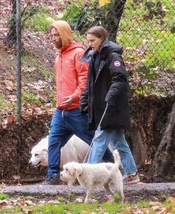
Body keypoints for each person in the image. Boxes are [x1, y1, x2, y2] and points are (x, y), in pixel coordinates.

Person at [45, 21, 114, 185]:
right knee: (53, 141)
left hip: (76, 110)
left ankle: (113, 169)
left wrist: (75, 97)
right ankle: (53, 175)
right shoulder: (58, 57)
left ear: (65, 35)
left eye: (56, 35)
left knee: (94, 140)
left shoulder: (78, 54)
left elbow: (84, 81)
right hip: (60, 110)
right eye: (51, 36)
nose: (53, 39)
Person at [80, 26, 140, 185]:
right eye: (88, 41)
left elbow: (120, 79)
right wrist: (85, 99)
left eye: (92, 41)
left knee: (99, 140)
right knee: (119, 142)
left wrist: (110, 97)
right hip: (101, 106)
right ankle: (132, 174)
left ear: (102, 38)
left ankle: (88, 175)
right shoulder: (94, 56)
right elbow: (90, 83)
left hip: (111, 107)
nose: (90, 44)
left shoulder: (113, 56)